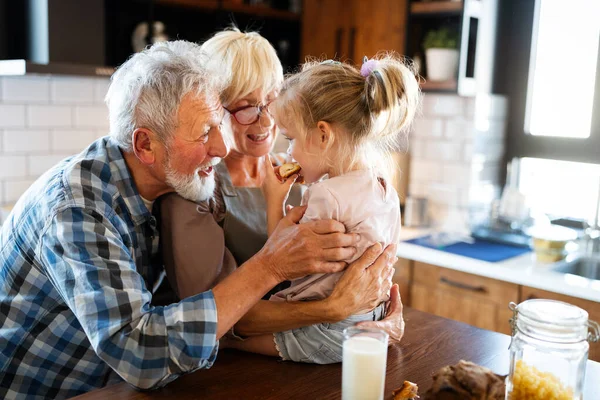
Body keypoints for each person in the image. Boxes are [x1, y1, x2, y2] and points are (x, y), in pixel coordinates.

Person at [0, 40, 395, 399]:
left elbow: (181, 316)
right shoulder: (79, 209)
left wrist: (366, 319)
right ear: (145, 144)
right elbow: (141, 354)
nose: (221, 148)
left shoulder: (166, 185)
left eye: (217, 125)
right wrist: (287, 278)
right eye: (206, 131)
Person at [159, 29, 406, 344]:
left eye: (272, 100)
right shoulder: (195, 191)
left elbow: (362, 269)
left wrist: (382, 318)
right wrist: (336, 310)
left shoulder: (305, 168)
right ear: (212, 109)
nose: (266, 122)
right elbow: (215, 319)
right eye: (247, 106)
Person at [226, 55, 420, 363]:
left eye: (292, 139)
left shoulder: (327, 195)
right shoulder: (383, 186)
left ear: (323, 135)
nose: (288, 152)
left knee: (226, 340)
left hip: (323, 331)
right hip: (370, 319)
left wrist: (274, 200)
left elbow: (288, 258)